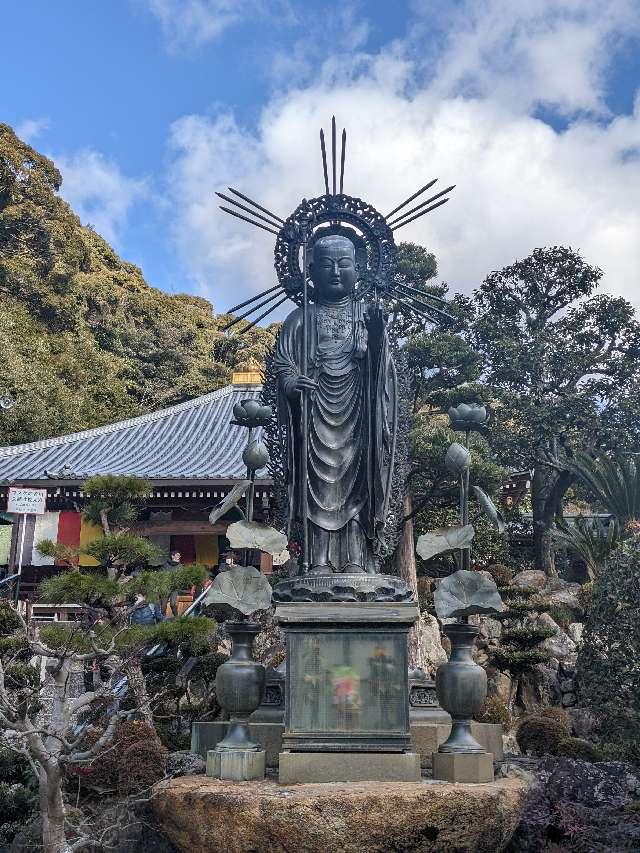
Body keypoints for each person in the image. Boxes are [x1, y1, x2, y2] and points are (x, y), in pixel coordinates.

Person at [274, 232, 397, 575]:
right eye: (327, 265)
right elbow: (283, 363)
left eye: (345, 264)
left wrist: (375, 339)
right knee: (317, 490)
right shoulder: (299, 319)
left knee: (357, 487)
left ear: (359, 270)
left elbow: (383, 369)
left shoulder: (366, 314)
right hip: (313, 413)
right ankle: (317, 563)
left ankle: (357, 561)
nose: (336, 272)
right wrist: (291, 382)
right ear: (310, 271)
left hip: (359, 414)